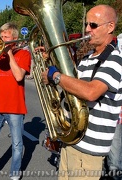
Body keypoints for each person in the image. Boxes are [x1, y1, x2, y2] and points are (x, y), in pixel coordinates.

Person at [41, 5, 122, 180]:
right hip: (71, 142)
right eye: (86, 24)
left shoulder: (116, 59)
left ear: (110, 27)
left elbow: (91, 92)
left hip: (89, 151)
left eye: (93, 25)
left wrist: (56, 76)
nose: (87, 29)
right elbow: (72, 90)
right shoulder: (87, 59)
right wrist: (52, 79)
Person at [0, 22, 31, 180]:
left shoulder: (23, 54)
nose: (1, 39)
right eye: (1, 36)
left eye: (5, 36)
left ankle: (15, 173)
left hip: (15, 107)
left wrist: (9, 54)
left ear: (14, 39)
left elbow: (19, 76)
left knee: (16, 144)